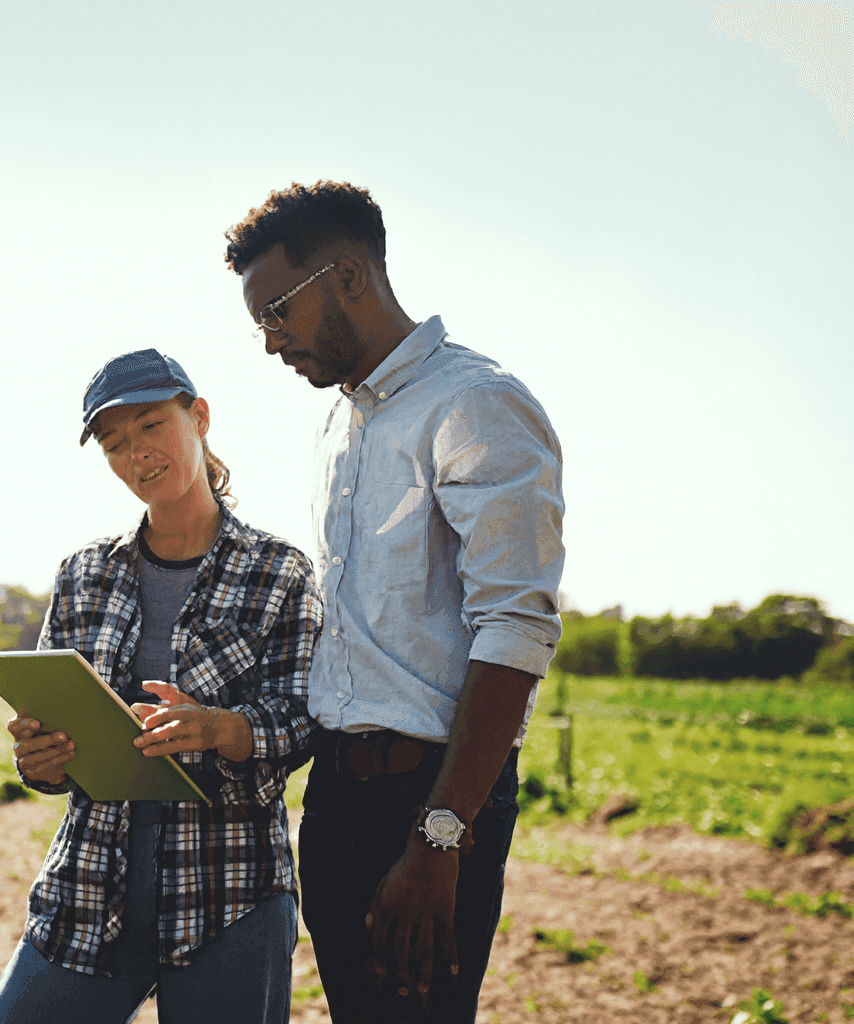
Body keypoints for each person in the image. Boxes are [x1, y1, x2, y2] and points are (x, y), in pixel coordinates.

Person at [224, 181, 565, 1023]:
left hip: (430, 804)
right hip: (335, 798)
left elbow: (516, 628)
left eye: (277, 313)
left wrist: (439, 836)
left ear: (347, 276)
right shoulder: (338, 426)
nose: (270, 344)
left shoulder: (474, 403)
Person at [0, 348, 322, 1024]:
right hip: (91, 886)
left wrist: (228, 729)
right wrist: (39, 760)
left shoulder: (280, 571)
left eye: (150, 426)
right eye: (114, 443)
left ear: (199, 418)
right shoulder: (82, 575)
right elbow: (53, 728)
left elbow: (307, 716)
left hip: (230, 891)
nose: (136, 454)